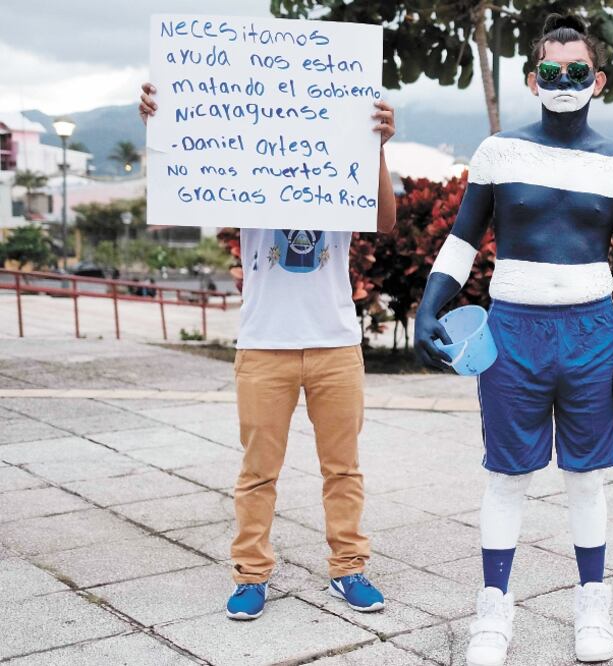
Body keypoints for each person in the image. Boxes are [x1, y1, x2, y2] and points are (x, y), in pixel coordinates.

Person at [414, 15, 613, 665]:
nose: (565, 82)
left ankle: (592, 604)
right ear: (531, 79)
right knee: (506, 477)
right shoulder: (500, 152)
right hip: (512, 328)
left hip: (592, 331)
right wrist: (427, 308)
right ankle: (493, 612)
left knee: (586, 481)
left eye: (577, 72)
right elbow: (463, 240)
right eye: (552, 72)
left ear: (598, 80)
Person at [138, 83, 397, 620]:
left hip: (334, 343)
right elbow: (186, 181)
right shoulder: (248, 170)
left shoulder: (338, 172)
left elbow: (386, 220)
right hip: (263, 345)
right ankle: (251, 574)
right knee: (258, 471)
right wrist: (163, 125)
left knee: (343, 468)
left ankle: (348, 568)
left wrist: (376, 146)